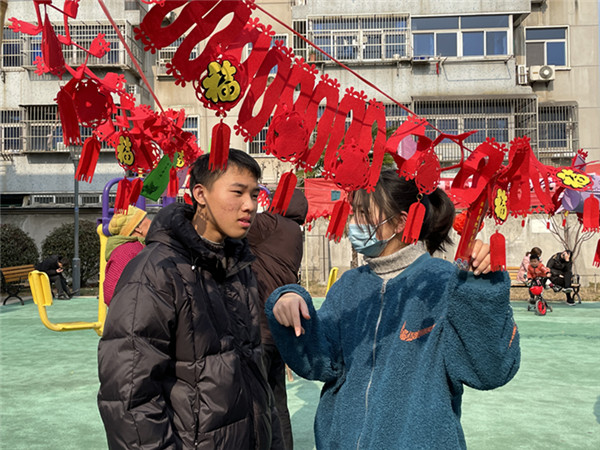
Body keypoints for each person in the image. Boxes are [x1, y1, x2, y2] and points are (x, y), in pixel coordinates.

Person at [265, 169, 520, 449]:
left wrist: (483, 290)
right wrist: (289, 303)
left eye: (363, 214)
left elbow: (489, 370)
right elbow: (320, 363)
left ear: (400, 222)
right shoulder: (349, 285)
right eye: (353, 213)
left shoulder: (445, 282)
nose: (353, 223)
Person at [98, 149, 283, 449]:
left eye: (254, 194)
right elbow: (128, 396)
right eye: (237, 192)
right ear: (200, 194)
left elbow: (255, 379)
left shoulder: (239, 266)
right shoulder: (155, 271)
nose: (249, 205)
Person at [246, 188, 308, 450]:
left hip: (257, 325)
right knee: (277, 400)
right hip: (277, 329)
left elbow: (238, 226)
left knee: (255, 400)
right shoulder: (296, 233)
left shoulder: (271, 224)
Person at [103, 205, 151, 306]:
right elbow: (111, 292)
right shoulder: (127, 251)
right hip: (132, 316)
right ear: (138, 228)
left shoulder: (137, 248)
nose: (151, 222)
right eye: (147, 219)